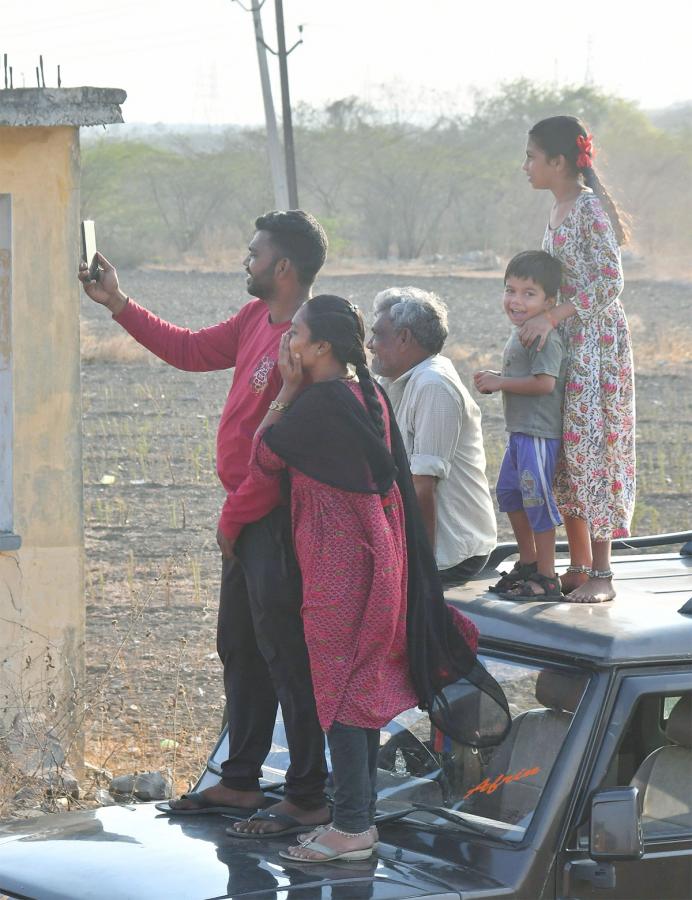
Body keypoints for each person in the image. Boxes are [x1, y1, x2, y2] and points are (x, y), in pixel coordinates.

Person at [229, 294, 509, 861]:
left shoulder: (317, 405)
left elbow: (262, 458)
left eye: (297, 336)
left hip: (340, 563)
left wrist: (283, 391)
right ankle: (354, 820)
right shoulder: (368, 393)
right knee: (352, 690)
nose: (288, 344)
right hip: (374, 555)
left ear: (321, 348)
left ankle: (354, 827)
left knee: (340, 694)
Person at [79, 211, 331, 833]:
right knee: (241, 648)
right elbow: (190, 350)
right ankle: (240, 781)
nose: (243, 262)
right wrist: (117, 302)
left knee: (286, 657)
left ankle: (307, 795)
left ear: (283, 268)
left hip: (273, 520)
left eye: (253, 254)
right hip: (246, 519)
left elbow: (286, 449)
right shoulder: (253, 320)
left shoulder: (309, 337)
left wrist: (238, 518)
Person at [520, 116, 635, 603]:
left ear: (559, 161)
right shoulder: (557, 209)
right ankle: (579, 564)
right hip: (569, 344)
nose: (524, 166)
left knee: (596, 448)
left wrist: (554, 316)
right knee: (568, 452)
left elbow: (611, 282)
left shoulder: (588, 210)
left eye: (531, 156)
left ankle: (604, 574)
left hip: (597, 348)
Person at [368, 287, 496, 587]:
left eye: (378, 334)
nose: (370, 345)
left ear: (404, 338)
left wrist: (418, 572)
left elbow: (423, 487)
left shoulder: (433, 386)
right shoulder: (393, 379)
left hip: (448, 554)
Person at [474, 251, 566, 600]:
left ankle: (546, 576)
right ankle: (527, 562)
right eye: (510, 290)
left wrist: (501, 383)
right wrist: (498, 378)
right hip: (520, 433)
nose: (516, 300)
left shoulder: (543, 337)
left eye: (529, 293)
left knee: (537, 502)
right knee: (510, 494)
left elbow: (544, 383)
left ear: (550, 302)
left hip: (539, 435)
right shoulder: (523, 332)